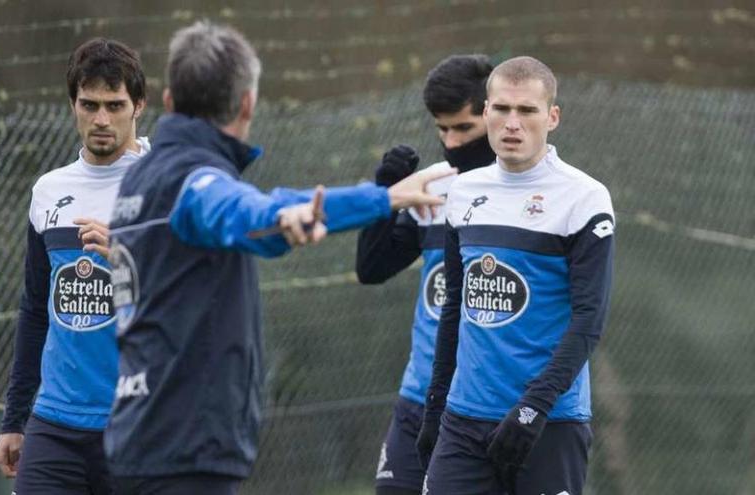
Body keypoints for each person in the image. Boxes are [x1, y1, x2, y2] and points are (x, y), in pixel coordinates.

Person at [103, 20, 454, 495]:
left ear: (167, 101)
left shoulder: (138, 180)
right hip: (185, 445)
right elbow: (251, 213)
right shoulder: (195, 182)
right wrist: (381, 199)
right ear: (247, 104)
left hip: (134, 436)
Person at [418, 56, 615, 495]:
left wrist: (533, 409)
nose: (513, 123)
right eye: (502, 109)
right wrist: (435, 408)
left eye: (527, 110)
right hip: (464, 420)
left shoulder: (584, 198)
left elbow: (589, 321)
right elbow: (455, 308)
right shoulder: (464, 192)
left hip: (549, 422)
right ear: (485, 112)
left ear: (552, 117)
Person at [0, 38, 149, 494]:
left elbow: (192, 296)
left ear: (138, 105)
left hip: (135, 421)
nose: (101, 119)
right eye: (90, 104)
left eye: (115, 105)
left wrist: (126, 251)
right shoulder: (48, 191)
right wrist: (14, 419)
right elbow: (36, 309)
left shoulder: (163, 184)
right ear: (73, 104)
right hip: (55, 424)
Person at [355, 54, 496, 495]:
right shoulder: (434, 189)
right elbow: (372, 268)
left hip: (489, 406)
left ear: (494, 116)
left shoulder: (540, 199)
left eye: (463, 129)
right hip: (419, 397)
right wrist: (386, 194)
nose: (451, 142)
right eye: (442, 130)